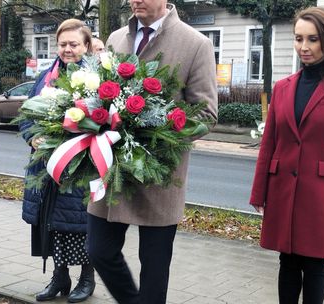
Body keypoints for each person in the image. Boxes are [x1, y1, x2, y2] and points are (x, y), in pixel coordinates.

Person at [85, 1, 218, 303]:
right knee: (98, 251)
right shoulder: (116, 38)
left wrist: (154, 131)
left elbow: (206, 115)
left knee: (154, 274)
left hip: (159, 175)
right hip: (113, 172)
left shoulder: (196, 44)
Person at [249, 7, 324, 304]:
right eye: (298, 38)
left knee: (314, 263)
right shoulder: (283, 87)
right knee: (287, 261)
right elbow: (270, 143)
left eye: (312, 39)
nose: (304, 47)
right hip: (283, 189)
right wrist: (259, 191)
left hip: (321, 193)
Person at [19, 19, 96, 303]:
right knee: (51, 221)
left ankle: (87, 278)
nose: (66, 49)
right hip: (45, 165)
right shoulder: (46, 75)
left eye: (73, 44)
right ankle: (59, 277)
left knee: (80, 223)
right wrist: (32, 137)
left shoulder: (97, 78)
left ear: (86, 46)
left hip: (80, 167)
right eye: (62, 44)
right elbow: (26, 113)